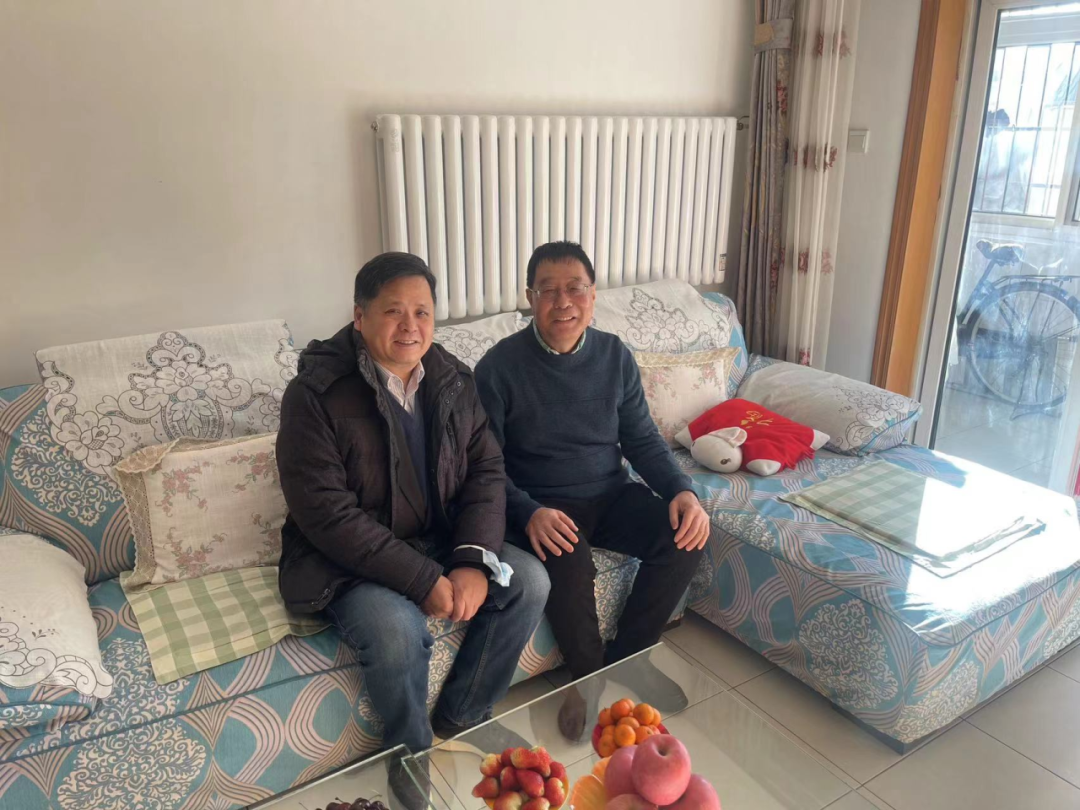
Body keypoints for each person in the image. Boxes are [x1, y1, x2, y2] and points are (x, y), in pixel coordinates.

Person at [275, 252, 550, 766]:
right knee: (398, 631)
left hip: (438, 534)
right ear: (360, 317)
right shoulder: (314, 394)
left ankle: (463, 714)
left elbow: (486, 471)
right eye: (393, 311)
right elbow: (327, 514)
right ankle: (410, 751)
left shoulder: (452, 379)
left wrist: (472, 559)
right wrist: (422, 579)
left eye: (422, 312)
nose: (410, 326)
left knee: (530, 582)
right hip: (346, 559)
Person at [475, 241, 711, 737]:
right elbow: (484, 465)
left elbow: (641, 438)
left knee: (685, 535)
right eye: (548, 290)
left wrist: (681, 490)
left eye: (575, 288)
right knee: (569, 557)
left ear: (593, 294)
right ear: (530, 298)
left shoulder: (613, 355)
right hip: (542, 504)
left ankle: (630, 658)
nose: (563, 302)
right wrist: (528, 511)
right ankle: (586, 680)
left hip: (609, 492)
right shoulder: (498, 368)